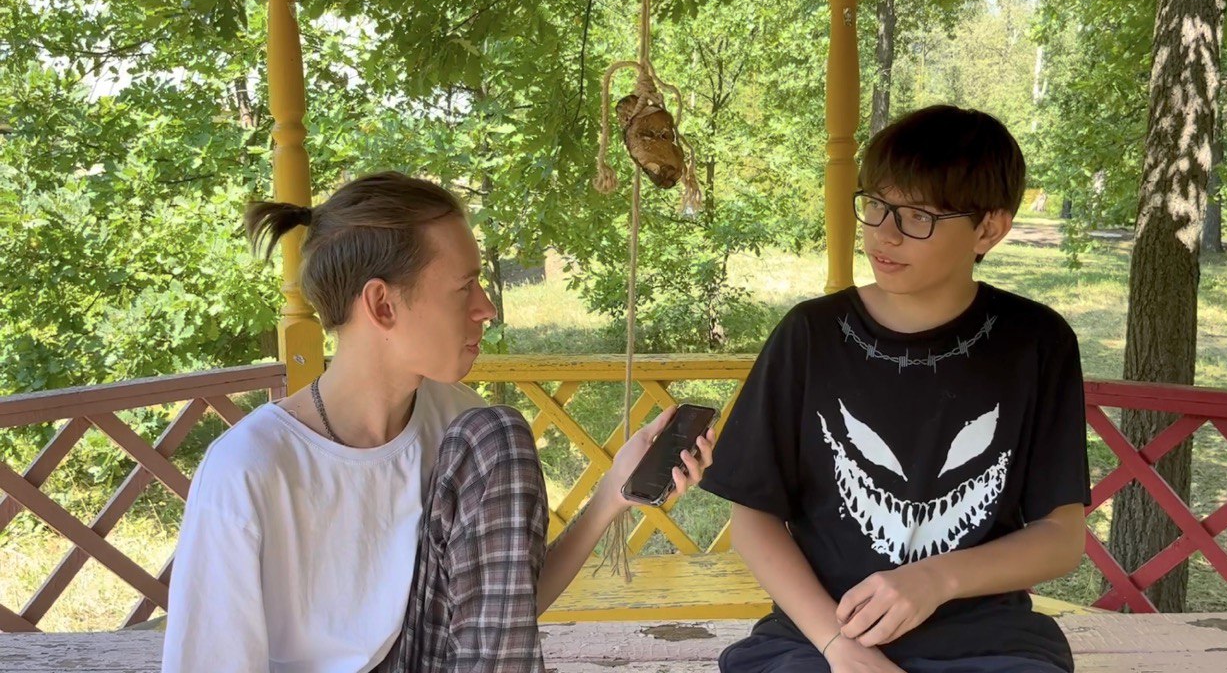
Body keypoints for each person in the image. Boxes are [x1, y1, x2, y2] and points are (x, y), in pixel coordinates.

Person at [160, 172, 715, 672]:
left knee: (498, 433)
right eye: (464, 286)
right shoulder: (249, 470)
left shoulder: (464, 429)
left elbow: (502, 618)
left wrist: (612, 494)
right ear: (382, 305)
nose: (486, 307)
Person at [700, 105, 1089, 673]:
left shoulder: (1035, 341)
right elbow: (752, 521)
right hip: (820, 635)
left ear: (989, 228)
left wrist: (935, 578)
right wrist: (841, 649)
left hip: (987, 642)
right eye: (876, 205)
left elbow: (1061, 536)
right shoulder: (810, 335)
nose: (884, 232)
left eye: (917, 216)